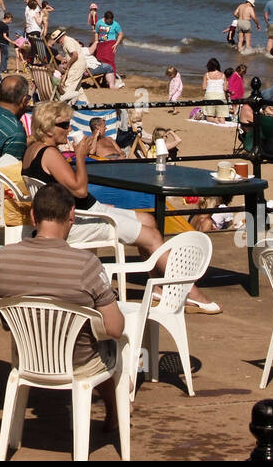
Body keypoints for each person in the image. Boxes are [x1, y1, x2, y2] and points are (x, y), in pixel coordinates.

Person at [22, 100, 218, 311]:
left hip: (78, 214)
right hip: (81, 219)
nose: (69, 129)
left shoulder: (32, 150)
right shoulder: (50, 154)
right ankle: (190, 291)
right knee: (151, 236)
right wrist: (80, 156)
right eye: (64, 125)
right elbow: (80, 190)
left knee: (148, 219)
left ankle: (159, 288)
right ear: (49, 128)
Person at [0, 183, 127, 431]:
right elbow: (115, 328)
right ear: (71, 216)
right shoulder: (87, 264)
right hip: (78, 363)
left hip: (27, 357)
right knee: (111, 344)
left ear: (33, 216)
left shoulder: (2, 258)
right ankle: (116, 407)